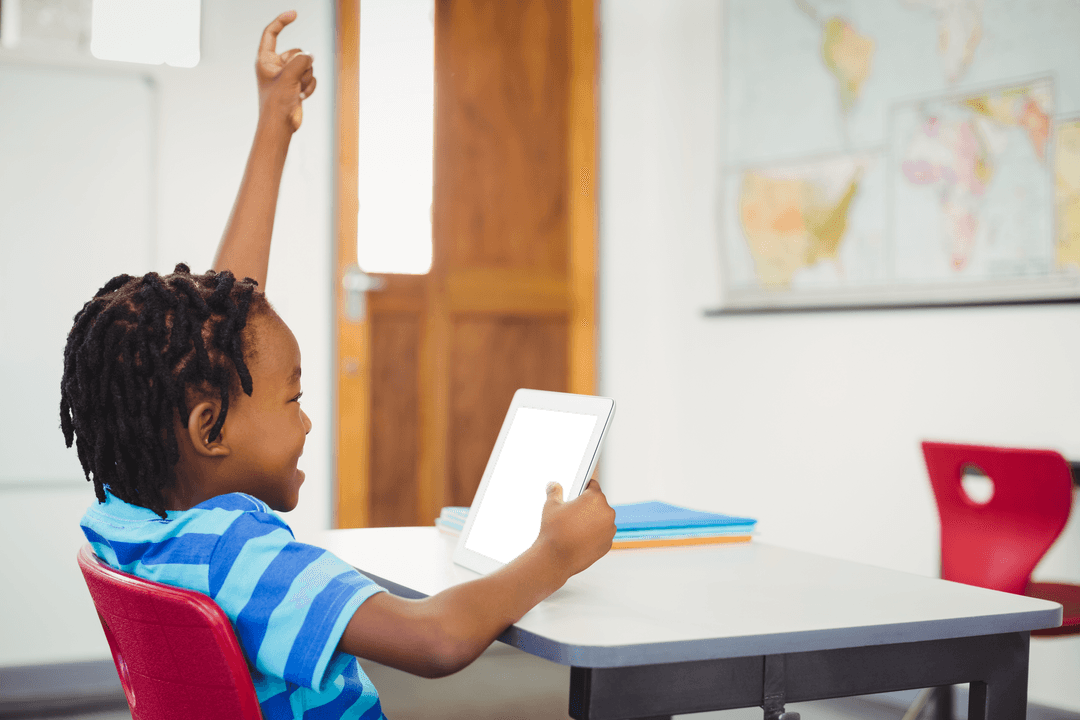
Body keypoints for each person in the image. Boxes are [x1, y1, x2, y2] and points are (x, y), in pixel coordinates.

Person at [63, 11, 617, 720]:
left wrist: (274, 126)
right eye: (293, 399)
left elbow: (225, 329)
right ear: (209, 430)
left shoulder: (131, 517)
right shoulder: (243, 557)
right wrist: (554, 555)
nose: (307, 422)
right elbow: (435, 640)